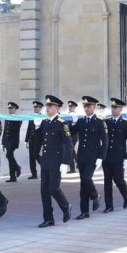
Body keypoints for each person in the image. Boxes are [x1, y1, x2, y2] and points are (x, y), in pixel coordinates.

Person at [37, 94, 74, 228]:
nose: (47, 108)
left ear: (57, 108)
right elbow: (40, 140)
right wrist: (36, 129)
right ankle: (48, 219)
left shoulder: (62, 124)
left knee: (53, 189)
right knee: (44, 191)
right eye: (46, 106)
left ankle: (66, 207)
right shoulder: (45, 122)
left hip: (57, 162)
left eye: (50, 106)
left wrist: (66, 162)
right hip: (46, 161)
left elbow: (69, 144)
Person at [72, 95, 108, 220]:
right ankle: (84, 211)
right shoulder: (81, 121)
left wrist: (100, 158)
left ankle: (95, 196)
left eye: (88, 106)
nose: (86, 108)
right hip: (81, 156)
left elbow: (105, 141)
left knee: (87, 179)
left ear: (94, 107)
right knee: (83, 185)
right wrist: (70, 121)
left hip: (93, 157)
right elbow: (71, 131)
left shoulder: (99, 122)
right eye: (85, 106)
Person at [102, 97, 127, 212]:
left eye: (115, 107)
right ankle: (109, 205)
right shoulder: (107, 122)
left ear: (120, 109)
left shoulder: (126, 123)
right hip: (107, 156)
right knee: (107, 182)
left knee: (119, 180)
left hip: (119, 156)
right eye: (112, 107)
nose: (113, 109)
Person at [2, 102, 22, 182]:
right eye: (9, 109)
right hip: (7, 141)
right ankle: (12, 176)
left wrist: (14, 118)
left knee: (9, 156)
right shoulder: (7, 118)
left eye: (11, 108)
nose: (10, 110)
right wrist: (3, 142)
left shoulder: (18, 118)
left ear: (15, 109)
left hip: (13, 141)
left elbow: (16, 129)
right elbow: (5, 131)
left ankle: (17, 168)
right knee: (10, 157)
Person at [24, 100, 44, 179]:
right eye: (34, 107)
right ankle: (34, 174)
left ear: (40, 108)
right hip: (31, 139)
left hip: (39, 140)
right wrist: (26, 140)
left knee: (35, 154)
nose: (35, 109)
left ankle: (44, 166)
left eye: (37, 107)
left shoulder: (43, 117)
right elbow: (29, 129)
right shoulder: (31, 117)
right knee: (31, 157)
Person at [67, 100, 79, 173]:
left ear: (74, 107)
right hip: (68, 135)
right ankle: (77, 163)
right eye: (69, 106)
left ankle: (72, 168)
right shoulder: (67, 114)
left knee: (70, 150)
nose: (70, 107)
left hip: (74, 135)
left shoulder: (76, 115)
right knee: (71, 150)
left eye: (71, 106)